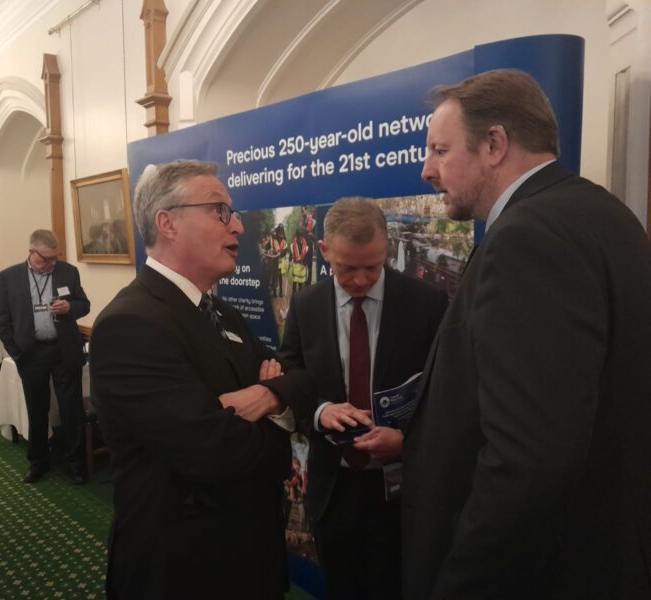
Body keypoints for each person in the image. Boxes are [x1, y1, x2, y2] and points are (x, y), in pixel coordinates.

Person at [401, 69, 651, 599]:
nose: (426, 170)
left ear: (494, 144)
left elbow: (530, 459)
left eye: (440, 150)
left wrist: (461, 586)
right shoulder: (607, 216)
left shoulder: (527, 238)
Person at [89, 159, 313, 599]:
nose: (239, 228)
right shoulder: (130, 324)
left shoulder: (222, 313)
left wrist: (264, 398)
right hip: (186, 567)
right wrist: (278, 425)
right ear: (168, 223)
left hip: (250, 555)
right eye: (220, 211)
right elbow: (214, 453)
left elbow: (300, 380)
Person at [278, 199, 447, 599]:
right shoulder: (306, 305)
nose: (359, 280)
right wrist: (319, 413)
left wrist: (408, 443)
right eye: (346, 268)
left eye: (372, 267)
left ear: (387, 248)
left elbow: (446, 392)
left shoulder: (427, 303)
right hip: (333, 487)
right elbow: (293, 377)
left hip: (402, 490)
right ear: (324, 252)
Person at [0, 229, 90, 485]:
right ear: (31, 252)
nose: (51, 264)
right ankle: (38, 462)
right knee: (37, 410)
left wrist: (71, 307)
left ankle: (75, 463)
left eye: (54, 259)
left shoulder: (68, 272)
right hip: (31, 353)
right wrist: (17, 353)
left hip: (63, 350)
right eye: (45, 259)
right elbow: (2, 320)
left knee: (72, 409)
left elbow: (84, 304)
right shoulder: (9, 277)